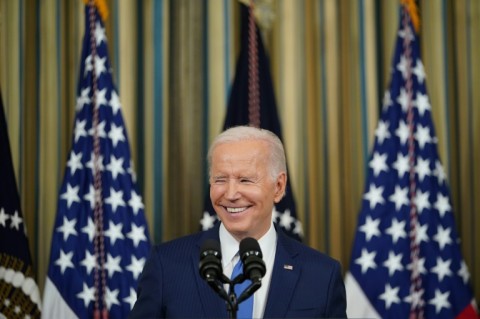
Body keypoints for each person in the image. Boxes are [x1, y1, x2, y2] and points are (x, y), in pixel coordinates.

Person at [129, 125, 347, 318]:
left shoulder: (321, 275)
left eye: (245, 180)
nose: (231, 194)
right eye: (220, 180)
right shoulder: (166, 265)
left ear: (279, 187)